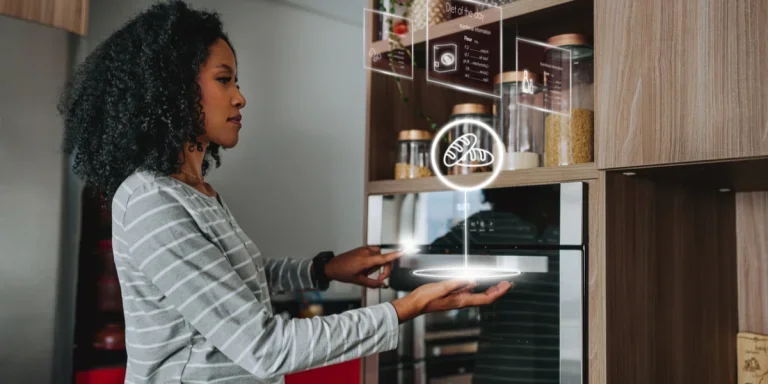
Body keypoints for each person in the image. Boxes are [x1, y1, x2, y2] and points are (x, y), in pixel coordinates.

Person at [57, 1, 511, 383]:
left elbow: (232, 279)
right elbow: (264, 347)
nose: (240, 97)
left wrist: (324, 269)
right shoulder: (150, 203)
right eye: (224, 79)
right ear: (171, 89)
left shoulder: (196, 193)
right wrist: (406, 308)